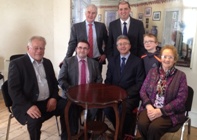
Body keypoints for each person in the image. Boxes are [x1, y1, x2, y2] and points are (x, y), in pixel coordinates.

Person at [8, 36, 67, 140]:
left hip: (48, 101)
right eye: (36, 48)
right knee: (34, 121)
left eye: (42, 48)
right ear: (28, 48)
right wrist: (28, 107)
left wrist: (53, 98)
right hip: (28, 103)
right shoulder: (17, 64)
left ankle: (67, 137)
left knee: (68, 105)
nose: (39, 51)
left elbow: (54, 83)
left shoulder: (47, 62)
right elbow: (13, 90)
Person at [137, 45, 188, 140]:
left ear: (175, 60)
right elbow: (143, 90)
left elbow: (181, 98)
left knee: (154, 128)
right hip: (151, 107)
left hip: (170, 112)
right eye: (164, 56)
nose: (167, 60)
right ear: (160, 58)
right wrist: (149, 106)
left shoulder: (181, 76)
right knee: (142, 123)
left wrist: (161, 111)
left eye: (170, 57)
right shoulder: (152, 72)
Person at [104, 35, 145, 137]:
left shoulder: (137, 61)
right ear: (117, 47)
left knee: (123, 110)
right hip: (113, 95)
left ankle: (123, 134)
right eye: (120, 44)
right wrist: (110, 92)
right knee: (107, 109)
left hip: (130, 96)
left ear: (130, 46)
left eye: (125, 44)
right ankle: (121, 131)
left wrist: (125, 94)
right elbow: (108, 80)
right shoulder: (112, 60)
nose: (123, 46)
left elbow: (140, 82)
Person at [58, 40, 102, 134]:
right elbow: (61, 79)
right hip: (71, 95)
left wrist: (94, 91)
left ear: (89, 50)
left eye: (85, 48)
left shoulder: (94, 63)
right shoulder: (68, 61)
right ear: (76, 49)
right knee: (71, 111)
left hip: (89, 95)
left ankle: (86, 129)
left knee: (96, 107)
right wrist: (71, 90)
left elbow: (99, 79)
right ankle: (73, 134)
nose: (82, 50)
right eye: (80, 47)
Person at [66, 4, 108, 73]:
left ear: (96, 14)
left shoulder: (101, 26)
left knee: (96, 81)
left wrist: (105, 54)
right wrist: (66, 59)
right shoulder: (76, 27)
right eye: (88, 12)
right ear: (85, 13)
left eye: (93, 13)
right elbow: (72, 44)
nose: (90, 15)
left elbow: (107, 42)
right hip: (81, 59)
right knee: (82, 79)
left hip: (97, 60)